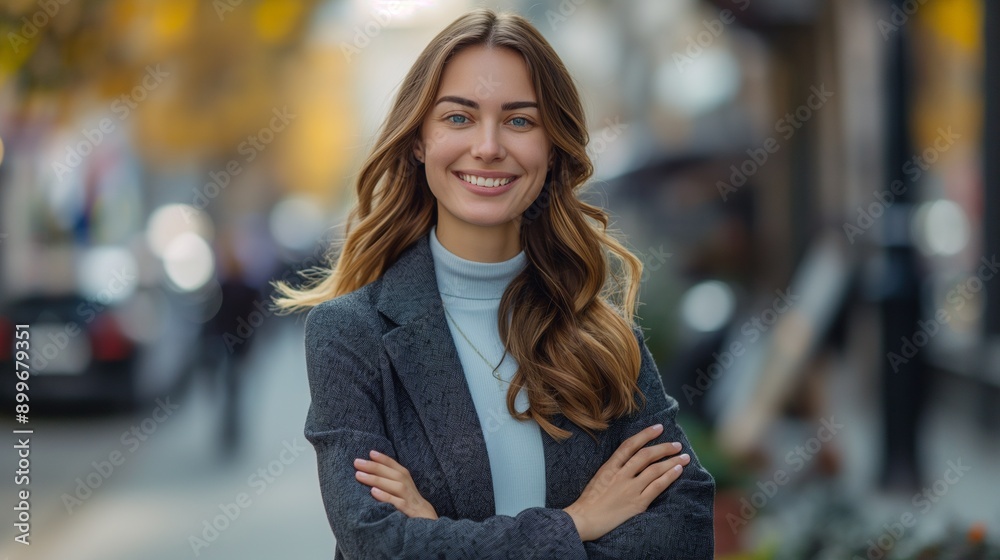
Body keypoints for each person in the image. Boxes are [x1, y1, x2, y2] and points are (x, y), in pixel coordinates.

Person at [273, 8, 714, 559]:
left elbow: (686, 529)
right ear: (419, 140)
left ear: (552, 148)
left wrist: (438, 536)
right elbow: (377, 545)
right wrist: (575, 523)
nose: (488, 146)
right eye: (459, 117)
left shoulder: (603, 336)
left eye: (519, 121)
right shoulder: (349, 336)